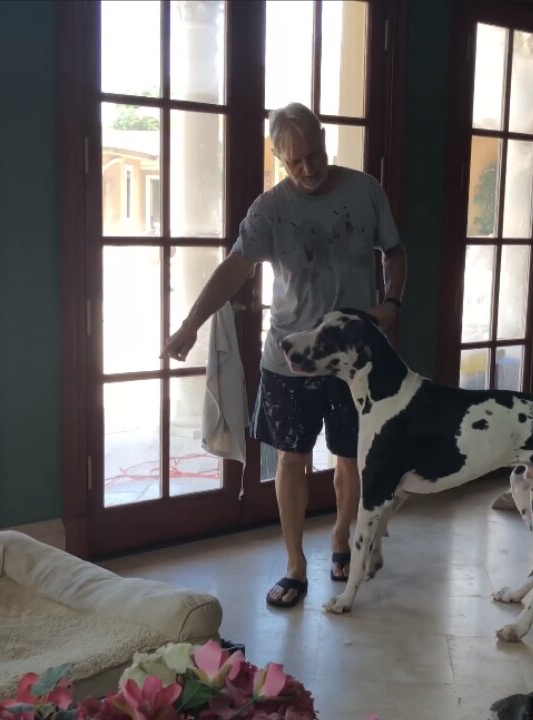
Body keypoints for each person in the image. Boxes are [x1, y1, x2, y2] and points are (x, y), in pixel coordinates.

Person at [161, 102, 408, 609]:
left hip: (354, 357)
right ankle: (296, 565)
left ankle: (342, 538)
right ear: (279, 157)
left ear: (324, 139)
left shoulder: (365, 191)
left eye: (314, 154)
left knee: (351, 457)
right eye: (294, 161)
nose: (308, 168)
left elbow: (395, 252)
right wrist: (190, 323)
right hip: (289, 357)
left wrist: (391, 303)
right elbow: (235, 268)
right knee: (291, 462)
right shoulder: (270, 209)